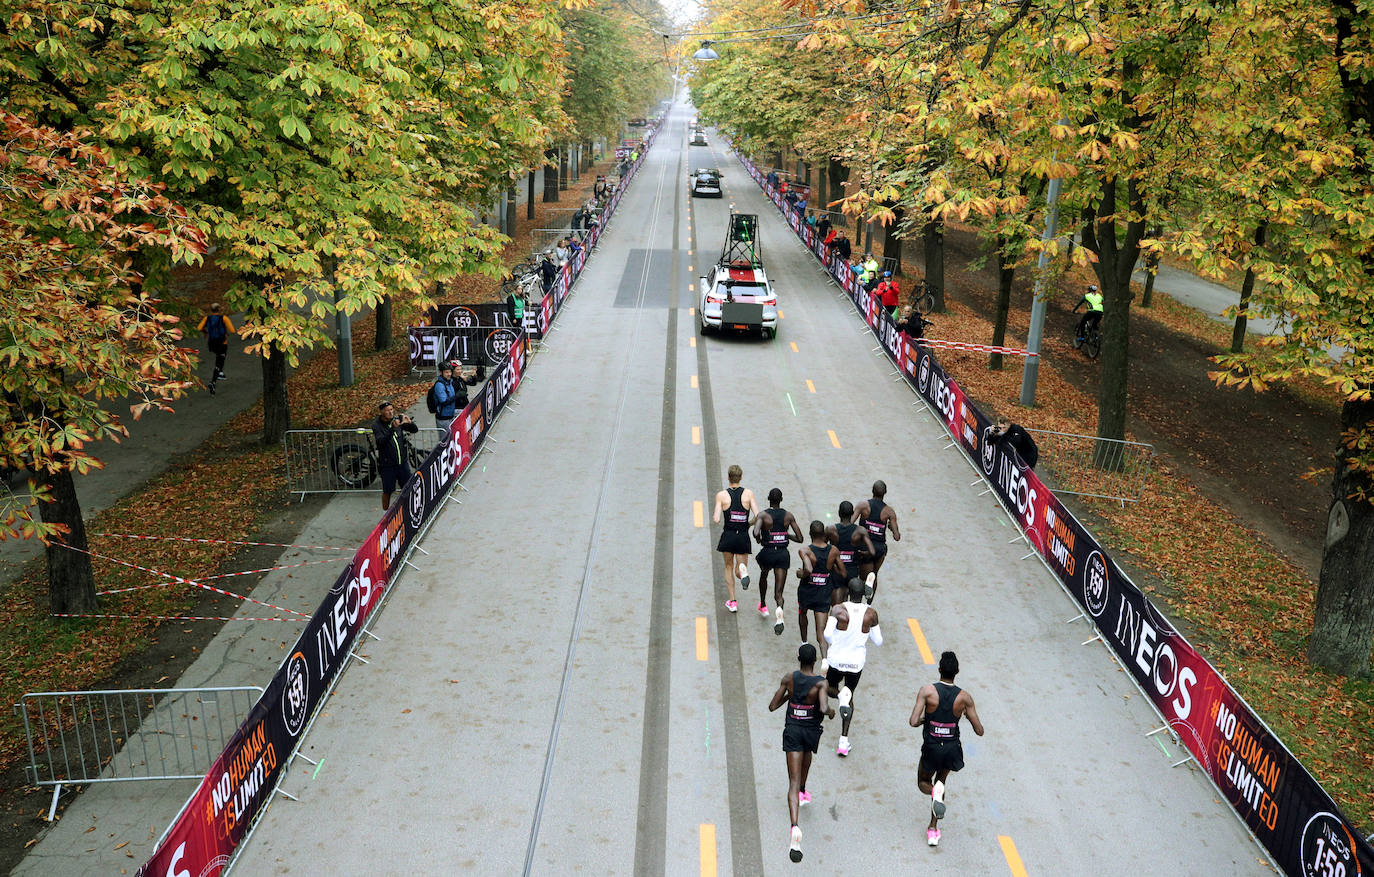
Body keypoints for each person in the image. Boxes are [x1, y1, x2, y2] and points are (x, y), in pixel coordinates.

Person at [767, 642, 834, 864]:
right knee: (808, 760)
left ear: (798, 659)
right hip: (811, 731)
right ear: (814, 661)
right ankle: (805, 791)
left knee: (792, 783)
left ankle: (795, 827)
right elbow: (823, 709)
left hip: (793, 730)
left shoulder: (789, 678)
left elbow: (772, 706)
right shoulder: (820, 683)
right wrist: (833, 712)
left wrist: (789, 695)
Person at [909, 651, 984, 848]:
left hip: (932, 746)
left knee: (923, 782)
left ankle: (934, 793)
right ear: (957, 672)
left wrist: (927, 720)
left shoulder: (927, 691)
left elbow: (913, 721)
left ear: (939, 669)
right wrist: (965, 714)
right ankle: (933, 830)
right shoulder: (965, 697)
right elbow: (979, 730)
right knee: (941, 782)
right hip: (951, 747)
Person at [824, 577, 882, 757]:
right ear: (864, 594)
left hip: (836, 659)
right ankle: (843, 741)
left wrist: (836, 644)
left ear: (848, 592)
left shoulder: (838, 609)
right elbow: (878, 641)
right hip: (856, 662)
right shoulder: (871, 614)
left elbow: (826, 634)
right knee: (850, 695)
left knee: (829, 689)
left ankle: (840, 695)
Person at [751, 488, 804, 632]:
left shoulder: (763, 515)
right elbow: (800, 538)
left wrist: (759, 539)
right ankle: (779, 613)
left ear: (769, 498)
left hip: (768, 553)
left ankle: (762, 604)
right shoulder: (788, 516)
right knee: (779, 593)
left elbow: (755, 531)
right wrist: (786, 536)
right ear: (781, 500)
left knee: (764, 574)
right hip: (782, 554)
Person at [796, 520, 844, 666]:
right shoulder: (833, 551)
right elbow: (843, 572)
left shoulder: (805, 550)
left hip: (806, 591)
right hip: (823, 593)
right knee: (821, 630)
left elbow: (808, 570)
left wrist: (800, 573)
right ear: (824, 534)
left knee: (802, 614)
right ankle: (824, 659)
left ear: (810, 534)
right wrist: (830, 571)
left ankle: (804, 643)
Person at [712, 464, 760, 613]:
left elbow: (716, 518)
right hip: (742, 536)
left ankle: (732, 601)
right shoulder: (749, 494)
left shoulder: (721, 495)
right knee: (739, 572)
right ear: (741, 477)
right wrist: (748, 524)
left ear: (728, 477)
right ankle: (743, 572)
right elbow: (758, 515)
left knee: (728, 567)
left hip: (728, 535)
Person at [853, 481, 901, 603]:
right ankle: (869, 604)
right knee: (873, 574)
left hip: (865, 548)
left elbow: (851, 522)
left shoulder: (863, 505)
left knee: (863, 577)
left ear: (872, 491)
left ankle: (859, 601)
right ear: (885, 493)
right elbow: (897, 536)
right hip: (880, 549)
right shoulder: (889, 511)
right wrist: (890, 527)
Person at [372, 400, 419, 511]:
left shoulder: (396, 421)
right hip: (388, 465)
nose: (391, 412)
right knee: (388, 490)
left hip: (402, 462)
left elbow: (414, 430)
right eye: (388, 410)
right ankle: (385, 514)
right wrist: (392, 429)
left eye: (392, 410)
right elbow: (381, 441)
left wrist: (409, 423)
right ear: (382, 412)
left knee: (407, 487)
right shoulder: (377, 425)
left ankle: (409, 509)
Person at [827, 501, 875, 606]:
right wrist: (862, 553)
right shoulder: (860, 531)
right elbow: (872, 551)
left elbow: (823, 547)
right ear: (852, 513)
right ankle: (863, 589)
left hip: (837, 570)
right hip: (852, 570)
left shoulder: (831, 530)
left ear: (839, 513)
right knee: (853, 601)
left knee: (837, 606)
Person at [196, 303, 236, 394]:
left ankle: (220, 373)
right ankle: (213, 381)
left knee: (219, 359)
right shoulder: (224, 318)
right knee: (219, 361)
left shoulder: (207, 318)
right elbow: (233, 330)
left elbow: (199, 328)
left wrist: (205, 332)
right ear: (219, 309)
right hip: (222, 343)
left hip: (212, 343)